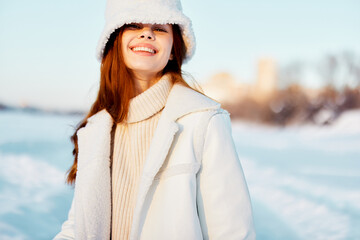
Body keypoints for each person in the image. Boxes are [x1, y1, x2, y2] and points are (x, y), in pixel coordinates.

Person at [54, 0, 255, 239]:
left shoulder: (203, 120)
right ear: (114, 41)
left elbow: (231, 231)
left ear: (173, 50)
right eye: (133, 25)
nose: (147, 34)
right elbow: (77, 228)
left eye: (160, 28)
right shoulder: (96, 130)